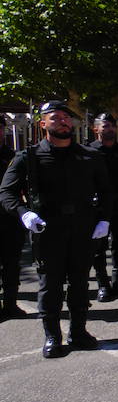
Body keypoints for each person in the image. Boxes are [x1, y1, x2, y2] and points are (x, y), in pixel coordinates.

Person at [0, 101, 111, 357]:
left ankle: (79, 331)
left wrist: (104, 219)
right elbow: (6, 192)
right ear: (43, 124)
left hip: (83, 228)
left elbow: (106, 191)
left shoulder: (89, 156)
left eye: (66, 117)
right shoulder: (28, 157)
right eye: (55, 117)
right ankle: (52, 336)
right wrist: (23, 213)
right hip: (48, 229)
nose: (63, 121)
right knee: (50, 285)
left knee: (80, 282)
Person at [88, 113, 118, 302]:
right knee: (99, 248)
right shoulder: (89, 152)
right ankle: (103, 285)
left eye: (112, 126)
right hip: (98, 208)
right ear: (96, 129)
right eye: (105, 126)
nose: (110, 129)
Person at [0, 114, 27, 320]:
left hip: (9, 217)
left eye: (1, 128)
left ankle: (10, 304)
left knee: (12, 262)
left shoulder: (12, 155)